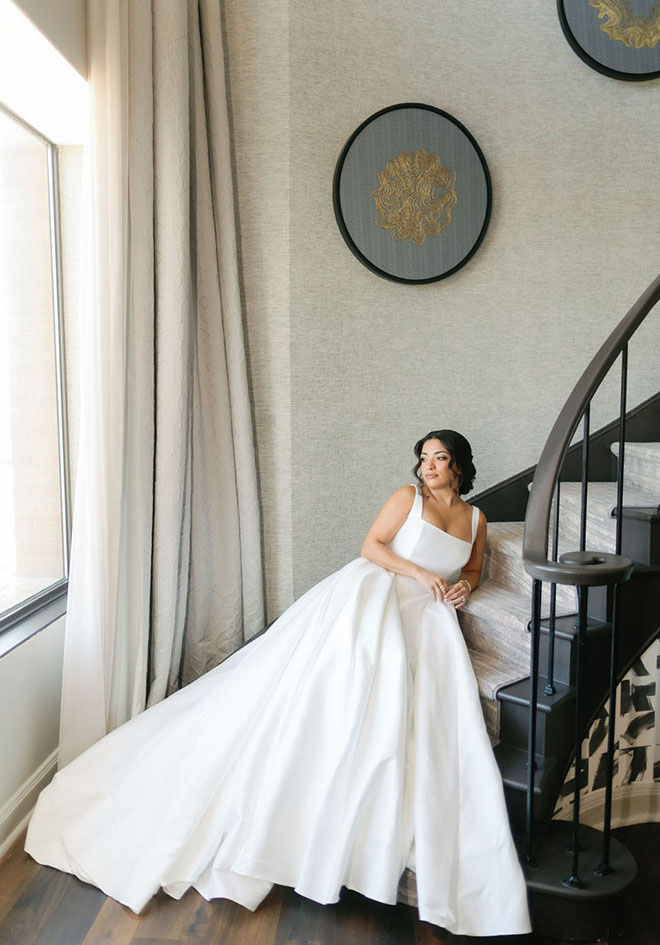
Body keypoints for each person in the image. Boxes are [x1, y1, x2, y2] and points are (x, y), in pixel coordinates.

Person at [25, 429, 533, 936]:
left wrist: (466, 585)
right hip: (376, 598)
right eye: (423, 458)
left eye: (439, 459)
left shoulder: (477, 519)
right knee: (339, 689)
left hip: (430, 620)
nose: (428, 467)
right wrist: (421, 574)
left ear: (460, 467)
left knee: (422, 716)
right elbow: (372, 546)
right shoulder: (407, 499)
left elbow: (472, 566)